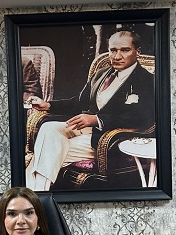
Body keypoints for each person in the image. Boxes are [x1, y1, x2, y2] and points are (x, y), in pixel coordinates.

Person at [25, 30, 156, 191]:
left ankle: (36, 193)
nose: (117, 56)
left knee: (47, 150)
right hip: (86, 129)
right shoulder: (101, 74)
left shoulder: (147, 80)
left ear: (138, 51)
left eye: (125, 50)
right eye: (113, 50)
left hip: (111, 139)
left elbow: (142, 117)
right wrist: (48, 105)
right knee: (48, 128)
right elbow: (79, 102)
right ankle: (38, 193)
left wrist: (97, 119)